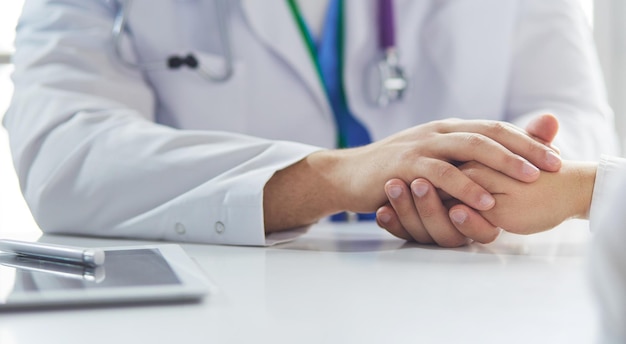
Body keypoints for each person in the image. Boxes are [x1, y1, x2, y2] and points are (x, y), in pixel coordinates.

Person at [3, 0, 618, 246]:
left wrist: (479, 187)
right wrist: (326, 179)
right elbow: (64, 152)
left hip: (469, 301)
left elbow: (576, 123)